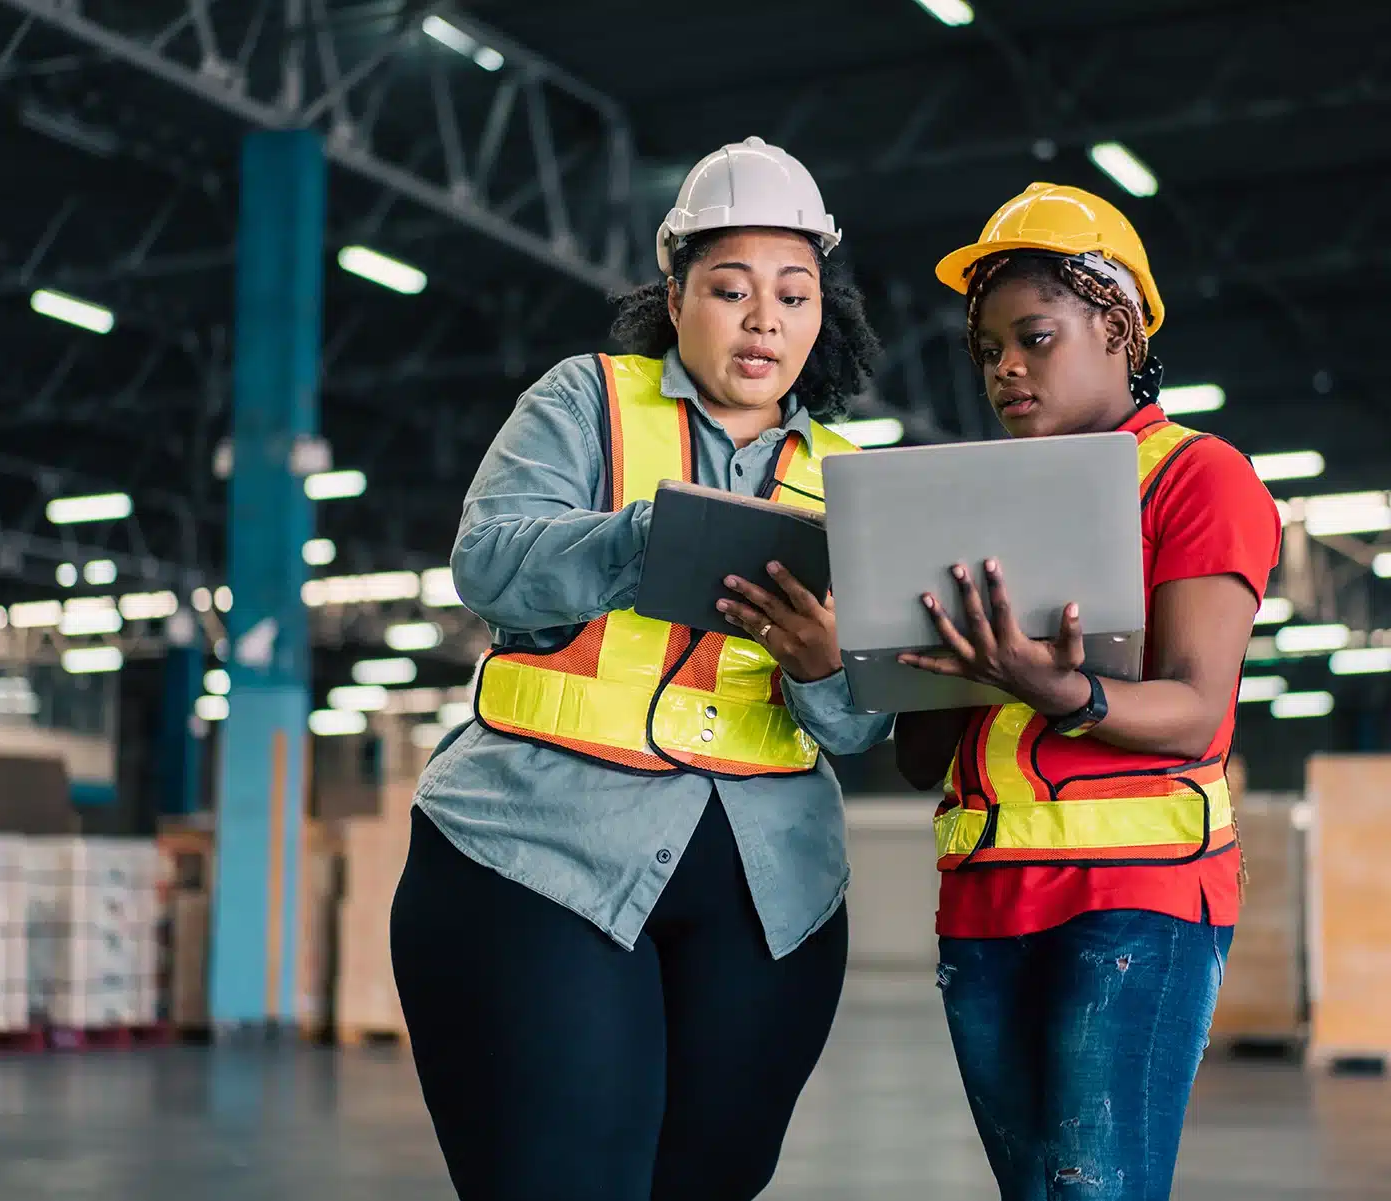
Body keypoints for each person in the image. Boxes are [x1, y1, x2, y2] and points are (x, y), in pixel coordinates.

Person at [390, 136, 892, 1201]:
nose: (765, 319)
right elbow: (489, 566)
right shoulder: (587, 402)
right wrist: (646, 540)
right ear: (676, 295)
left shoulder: (850, 480)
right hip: (537, 854)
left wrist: (821, 666)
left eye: (794, 294)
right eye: (731, 288)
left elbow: (856, 728)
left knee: (711, 1179)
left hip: (770, 890)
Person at [892, 184, 1281, 1200]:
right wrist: (893, 659)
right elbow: (917, 756)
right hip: (983, 898)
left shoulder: (1199, 478)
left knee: (1089, 1191)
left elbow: (1195, 711)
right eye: (987, 350)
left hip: (1134, 899)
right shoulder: (972, 502)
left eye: (1033, 336)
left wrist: (1052, 685)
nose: (1004, 368)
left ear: (1116, 327)